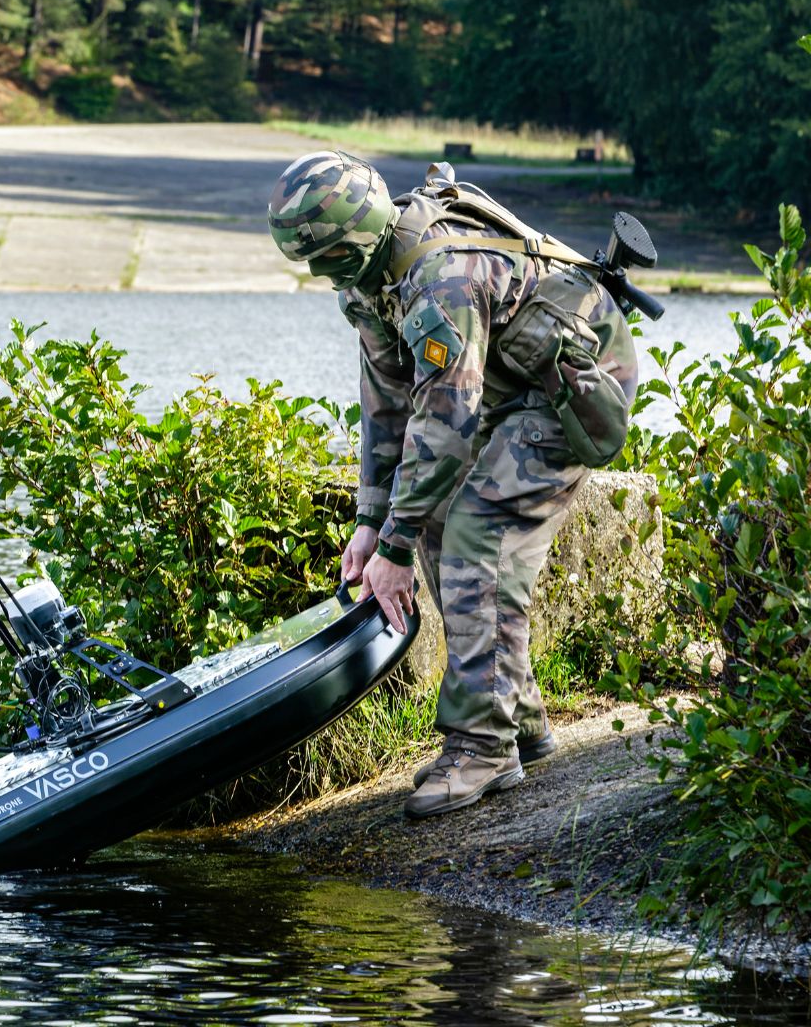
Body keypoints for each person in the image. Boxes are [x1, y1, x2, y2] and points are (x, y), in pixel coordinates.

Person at [265, 151, 638, 818]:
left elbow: (446, 422)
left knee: (477, 531)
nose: (321, 276)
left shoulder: (442, 280)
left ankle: (483, 747)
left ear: (353, 239)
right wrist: (372, 523)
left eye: (325, 258)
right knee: (433, 521)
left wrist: (397, 549)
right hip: (507, 379)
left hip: (572, 388)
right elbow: (386, 401)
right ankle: (517, 716)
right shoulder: (369, 276)